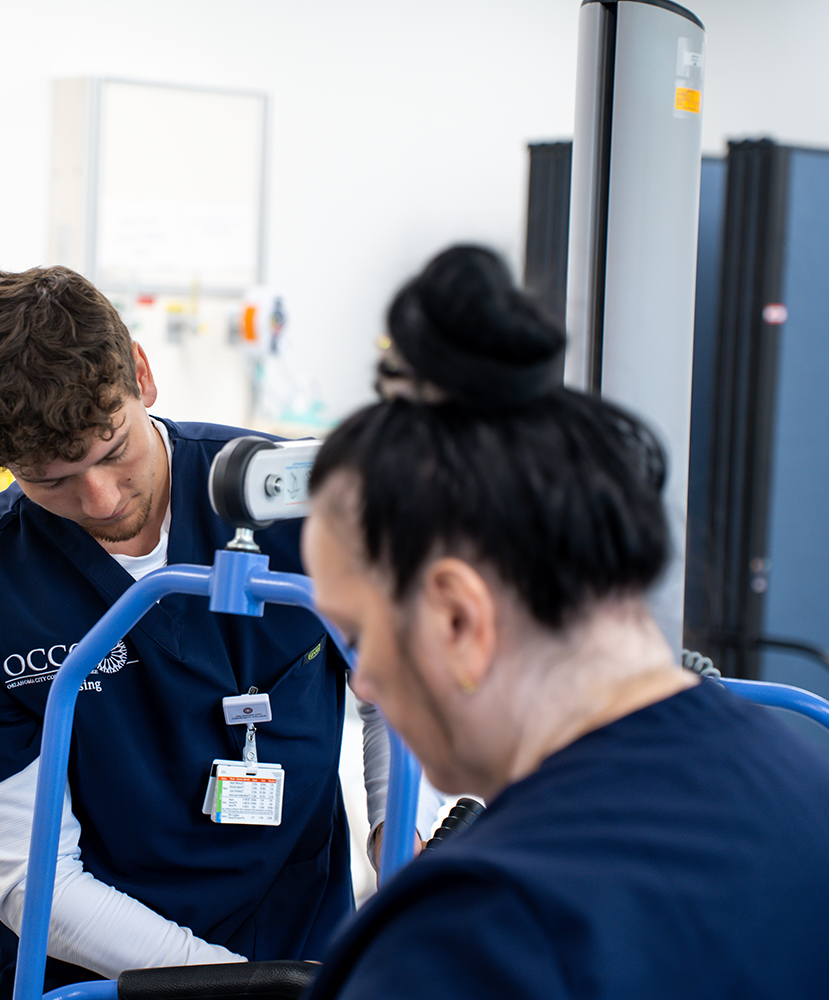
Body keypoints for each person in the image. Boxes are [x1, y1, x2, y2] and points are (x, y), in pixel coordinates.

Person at [300, 245, 829, 998]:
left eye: (357, 634)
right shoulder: (806, 794)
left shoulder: (471, 939)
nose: (365, 680)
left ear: (458, 617)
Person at [0, 265, 388, 998]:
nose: (99, 498)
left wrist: (397, 830)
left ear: (141, 372)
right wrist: (237, 988)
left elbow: (391, 681)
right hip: (101, 977)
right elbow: (36, 884)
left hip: (306, 947)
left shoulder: (292, 496)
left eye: (111, 451)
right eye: (52, 479)